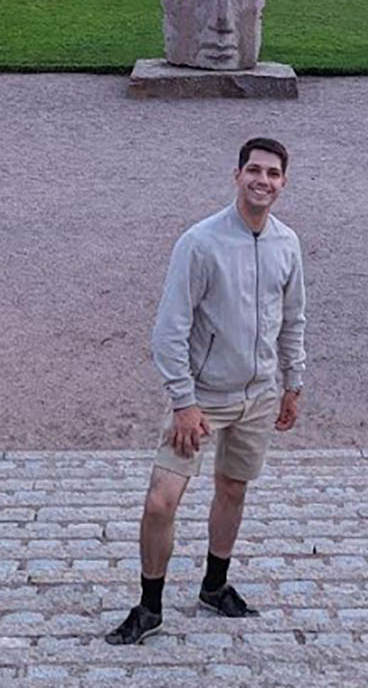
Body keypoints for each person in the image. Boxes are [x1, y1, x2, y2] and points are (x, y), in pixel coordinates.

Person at [104, 137, 307, 645]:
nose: (263, 181)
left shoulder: (288, 244)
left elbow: (293, 319)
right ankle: (149, 606)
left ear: (283, 183)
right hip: (204, 397)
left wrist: (293, 383)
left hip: (259, 394)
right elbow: (169, 329)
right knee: (160, 501)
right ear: (236, 175)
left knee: (233, 488)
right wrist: (184, 402)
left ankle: (215, 586)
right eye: (254, 171)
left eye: (273, 174)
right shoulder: (200, 242)